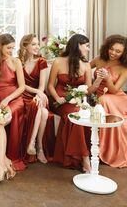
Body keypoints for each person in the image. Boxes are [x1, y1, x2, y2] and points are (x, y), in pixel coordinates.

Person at [48, 34, 95, 172]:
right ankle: (85, 158)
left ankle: (78, 156)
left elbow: (88, 90)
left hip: (78, 102)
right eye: (86, 46)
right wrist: (57, 98)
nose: (88, 48)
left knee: (79, 115)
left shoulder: (86, 65)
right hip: (60, 101)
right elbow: (50, 85)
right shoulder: (58, 61)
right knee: (75, 115)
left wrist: (97, 83)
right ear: (78, 45)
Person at [90, 34, 127, 168]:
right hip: (99, 94)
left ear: (124, 53)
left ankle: (105, 151)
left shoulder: (125, 68)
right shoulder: (99, 59)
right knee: (102, 99)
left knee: (104, 99)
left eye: (118, 51)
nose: (113, 53)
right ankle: (99, 150)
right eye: (112, 49)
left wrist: (108, 78)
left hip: (116, 97)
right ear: (107, 47)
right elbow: (84, 68)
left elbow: (115, 90)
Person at [0, 33, 25, 183]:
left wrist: (8, 99)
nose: (11, 51)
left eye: (13, 48)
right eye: (9, 48)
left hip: (14, 100)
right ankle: (5, 161)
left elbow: (21, 87)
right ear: (0, 46)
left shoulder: (15, 62)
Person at [18, 33, 55, 164]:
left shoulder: (42, 61)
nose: (37, 47)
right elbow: (20, 85)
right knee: (43, 112)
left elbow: (41, 86)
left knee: (41, 107)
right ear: (25, 46)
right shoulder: (18, 62)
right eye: (33, 44)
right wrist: (37, 93)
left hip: (38, 94)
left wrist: (38, 95)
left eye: (38, 44)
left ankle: (34, 145)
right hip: (23, 95)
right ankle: (38, 147)